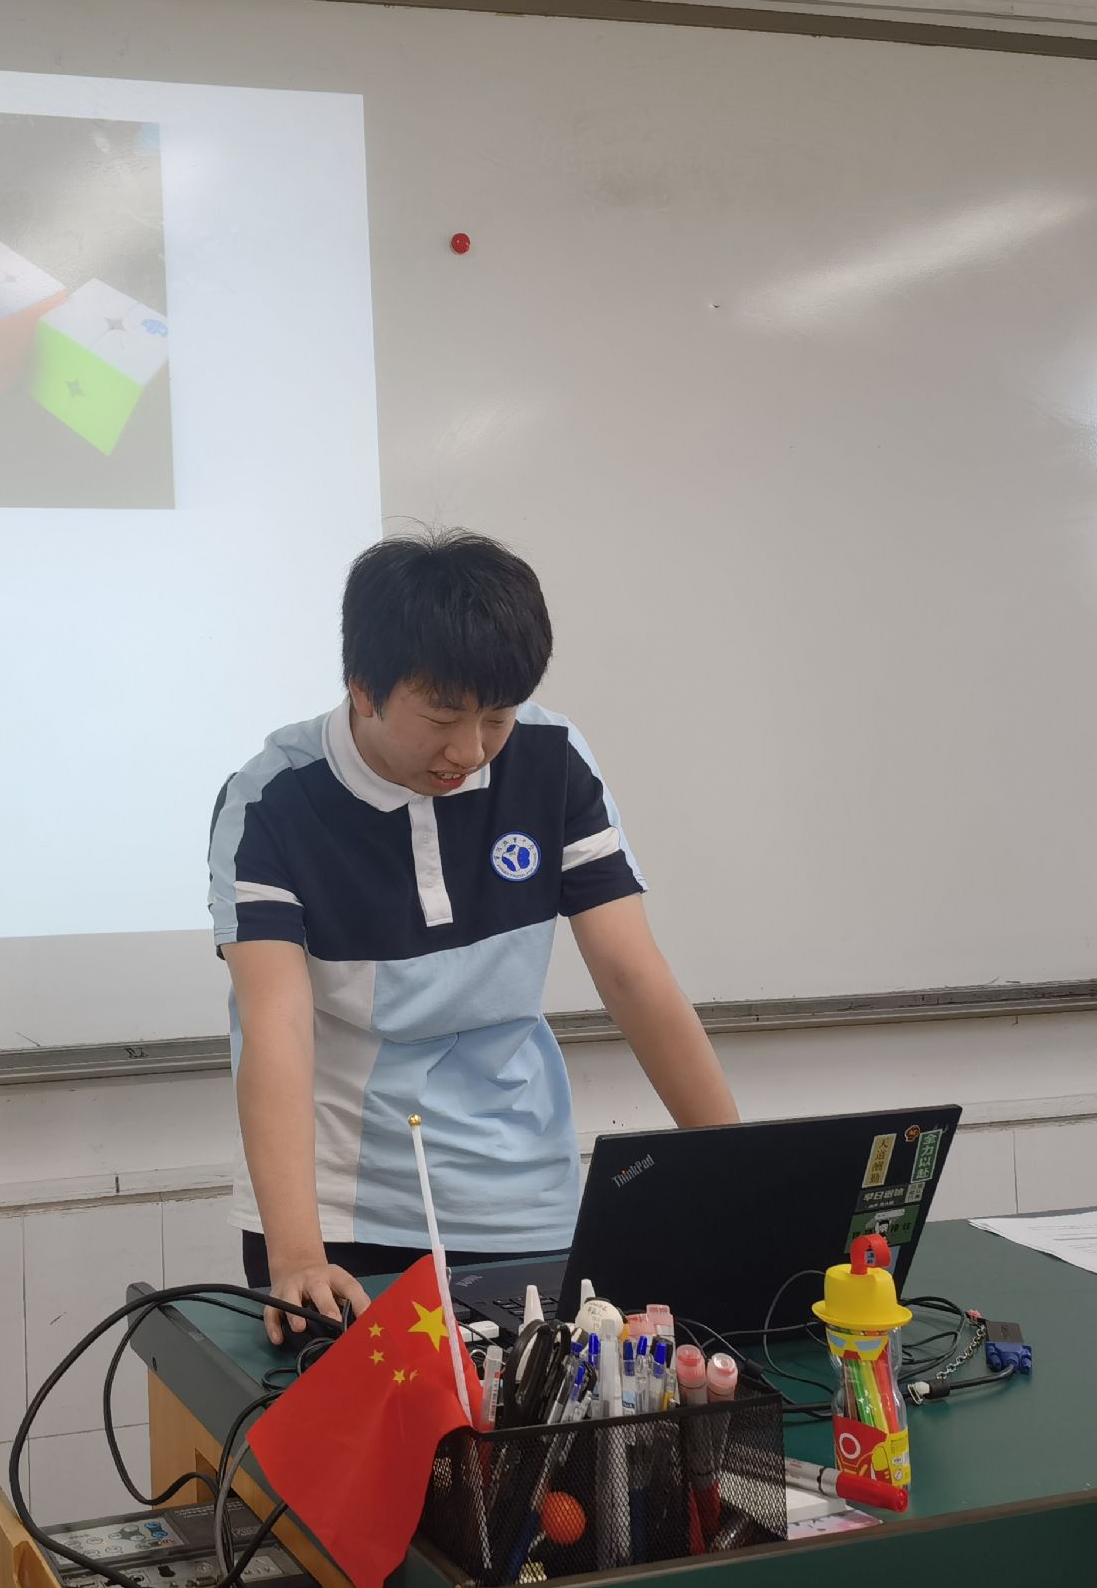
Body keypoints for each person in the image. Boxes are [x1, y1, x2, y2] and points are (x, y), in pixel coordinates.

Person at [206, 529, 738, 1344]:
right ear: (363, 689)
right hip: (339, 1208)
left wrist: (735, 1170)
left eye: (497, 717)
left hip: (522, 1195)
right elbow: (274, 1025)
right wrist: (298, 1253)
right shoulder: (272, 802)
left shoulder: (553, 760)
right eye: (443, 718)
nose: (471, 751)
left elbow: (632, 975)